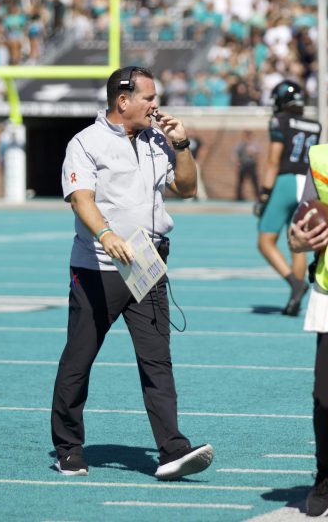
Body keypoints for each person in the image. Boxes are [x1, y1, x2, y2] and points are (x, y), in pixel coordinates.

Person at [51, 66, 214, 479]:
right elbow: (81, 199)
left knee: (157, 361)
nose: (156, 105)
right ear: (123, 101)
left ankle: (172, 450)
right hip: (98, 268)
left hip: (147, 263)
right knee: (79, 359)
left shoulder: (158, 138)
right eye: (149, 97)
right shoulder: (85, 143)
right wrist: (106, 235)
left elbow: (188, 188)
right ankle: (68, 448)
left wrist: (182, 145)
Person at [254, 79, 321, 315]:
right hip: (308, 182)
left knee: (265, 241)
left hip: (285, 181)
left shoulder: (279, 121)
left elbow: (274, 160)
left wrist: (263, 195)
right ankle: (295, 301)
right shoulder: (315, 124)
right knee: (297, 243)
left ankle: (294, 283)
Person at [288, 143, 328, 517]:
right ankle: (325, 475)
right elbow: (298, 227)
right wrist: (298, 241)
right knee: (325, 396)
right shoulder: (321, 159)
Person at [234, 130, 260, 201]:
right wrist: (237, 163)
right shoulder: (241, 144)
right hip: (243, 164)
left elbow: (257, 154)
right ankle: (239, 197)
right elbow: (237, 154)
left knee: (255, 182)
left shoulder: (253, 144)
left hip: (251, 165)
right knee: (240, 182)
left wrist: (252, 152)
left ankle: (258, 196)